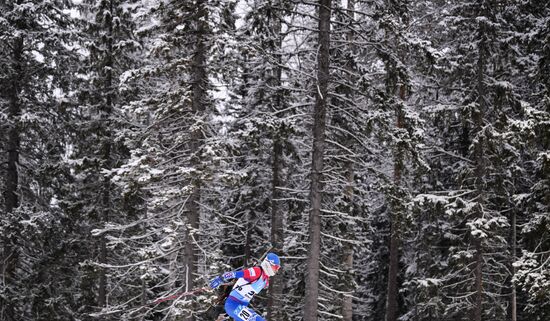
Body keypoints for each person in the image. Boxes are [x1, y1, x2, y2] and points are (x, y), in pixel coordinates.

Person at [209, 253, 281, 321]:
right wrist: (221, 278)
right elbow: (238, 274)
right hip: (234, 305)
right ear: (268, 264)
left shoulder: (265, 279)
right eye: (275, 267)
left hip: (240, 307)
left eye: (278, 268)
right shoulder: (257, 271)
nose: (276, 270)